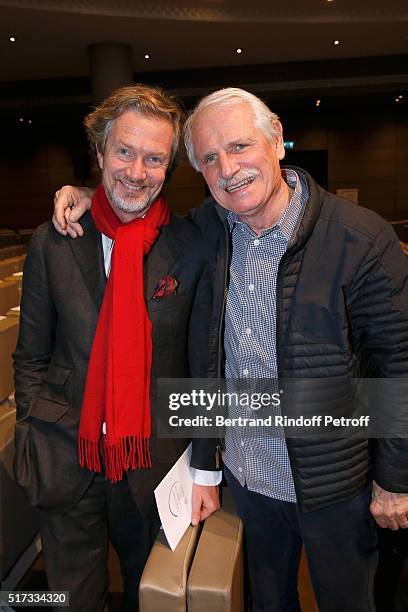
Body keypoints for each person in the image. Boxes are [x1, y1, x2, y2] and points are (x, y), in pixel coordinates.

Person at [53, 87, 408, 612]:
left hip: (339, 483)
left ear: (277, 140)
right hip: (248, 480)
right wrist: (87, 194)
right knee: (266, 602)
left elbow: (399, 361)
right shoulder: (207, 232)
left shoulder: (359, 237)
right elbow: (134, 211)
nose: (229, 169)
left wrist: (395, 479)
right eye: (211, 159)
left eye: (240, 147)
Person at [13, 84, 220, 612]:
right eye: (124, 152)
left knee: (148, 598)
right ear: (100, 153)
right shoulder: (54, 241)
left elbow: (202, 370)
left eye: (154, 158)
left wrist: (203, 467)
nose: (136, 172)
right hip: (67, 458)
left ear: (169, 166)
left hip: (154, 466)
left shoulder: (192, 245)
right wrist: (35, 432)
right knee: (67, 601)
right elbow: (30, 357)